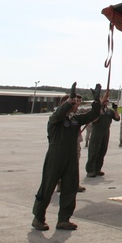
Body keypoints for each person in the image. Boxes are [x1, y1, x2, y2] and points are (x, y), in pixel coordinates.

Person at [32, 83, 102, 231]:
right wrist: (68, 101)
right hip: (55, 156)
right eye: (72, 102)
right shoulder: (55, 118)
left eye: (76, 102)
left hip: (70, 157)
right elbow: (59, 114)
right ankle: (38, 218)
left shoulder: (75, 119)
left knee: (70, 187)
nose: (75, 104)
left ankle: (64, 219)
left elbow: (93, 115)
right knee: (47, 186)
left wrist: (96, 102)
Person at [86, 94, 120, 177]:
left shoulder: (109, 111)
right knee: (94, 151)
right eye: (105, 100)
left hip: (105, 132)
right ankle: (90, 170)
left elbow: (117, 118)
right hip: (97, 132)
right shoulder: (96, 110)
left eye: (107, 101)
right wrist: (99, 106)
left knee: (102, 151)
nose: (106, 102)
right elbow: (94, 119)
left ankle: (98, 169)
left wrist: (115, 109)